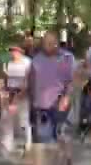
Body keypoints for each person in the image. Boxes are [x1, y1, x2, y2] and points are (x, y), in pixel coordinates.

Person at [28, 31, 77, 165]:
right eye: (45, 43)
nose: (48, 46)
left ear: (56, 44)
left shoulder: (67, 58)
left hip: (60, 104)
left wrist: (66, 97)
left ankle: (67, 159)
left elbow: (72, 80)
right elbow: (31, 81)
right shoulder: (36, 59)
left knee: (62, 136)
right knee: (43, 141)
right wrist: (30, 101)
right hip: (41, 106)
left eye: (51, 43)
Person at [0, 40, 33, 157]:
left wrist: (20, 94)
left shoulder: (27, 62)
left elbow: (28, 80)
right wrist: (4, 94)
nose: (13, 53)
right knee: (7, 120)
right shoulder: (7, 63)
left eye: (15, 50)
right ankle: (7, 145)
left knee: (23, 120)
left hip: (23, 94)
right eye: (11, 51)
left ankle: (28, 143)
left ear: (20, 52)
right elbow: (4, 79)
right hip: (10, 93)